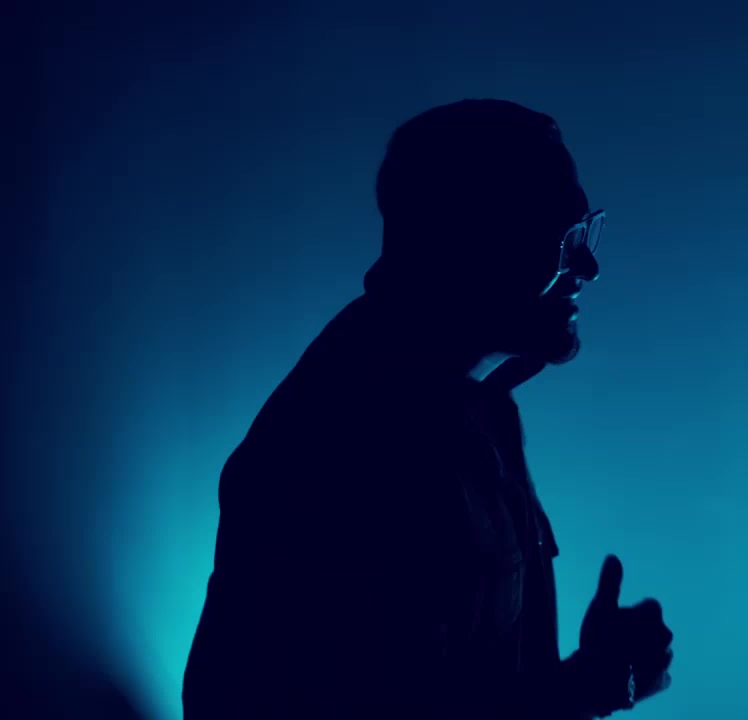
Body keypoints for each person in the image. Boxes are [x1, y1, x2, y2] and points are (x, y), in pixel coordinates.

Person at [182, 99, 674, 719]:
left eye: (585, 229)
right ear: (470, 243)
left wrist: (584, 681)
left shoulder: (484, 410)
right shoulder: (345, 442)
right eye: (560, 235)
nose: (587, 265)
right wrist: (589, 686)